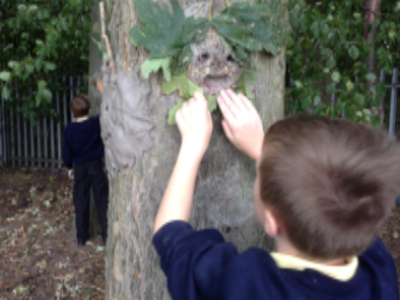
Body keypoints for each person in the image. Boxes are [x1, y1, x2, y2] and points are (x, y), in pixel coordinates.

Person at [152, 90, 400, 299]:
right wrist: (265, 154)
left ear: (272, 221)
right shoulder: (380, 273)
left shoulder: (246, 286)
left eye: (261, 175)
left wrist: (193, 146)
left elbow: (170, 236)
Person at [63, 94, 108, 247]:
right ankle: (107, 234)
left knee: (81, 202)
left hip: (80, 168)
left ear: (73, 112)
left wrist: (69, 167)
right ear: (89, 109)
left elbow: (66, 152)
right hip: (95, 165)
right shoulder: (96, 123)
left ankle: (81, 238)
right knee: (102, 199)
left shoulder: (69, 129)